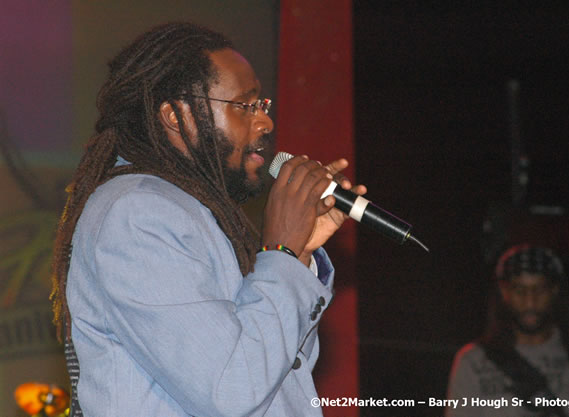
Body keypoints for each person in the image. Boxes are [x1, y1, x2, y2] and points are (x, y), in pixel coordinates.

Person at [50, 22, 365, 417]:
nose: (265, 122)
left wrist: (299, 253)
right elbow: (231, 388)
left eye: (263, 106)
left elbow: (282, 378)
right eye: (245, 105)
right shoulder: (136, 213)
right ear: (176, 115)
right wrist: (282, 252)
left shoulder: (200, 214)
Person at [445, 244, 569, 417]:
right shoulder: (473, 363)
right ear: (504, 292)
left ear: (554, 290)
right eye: (519, 289)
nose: (530, 301)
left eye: (539, 289)